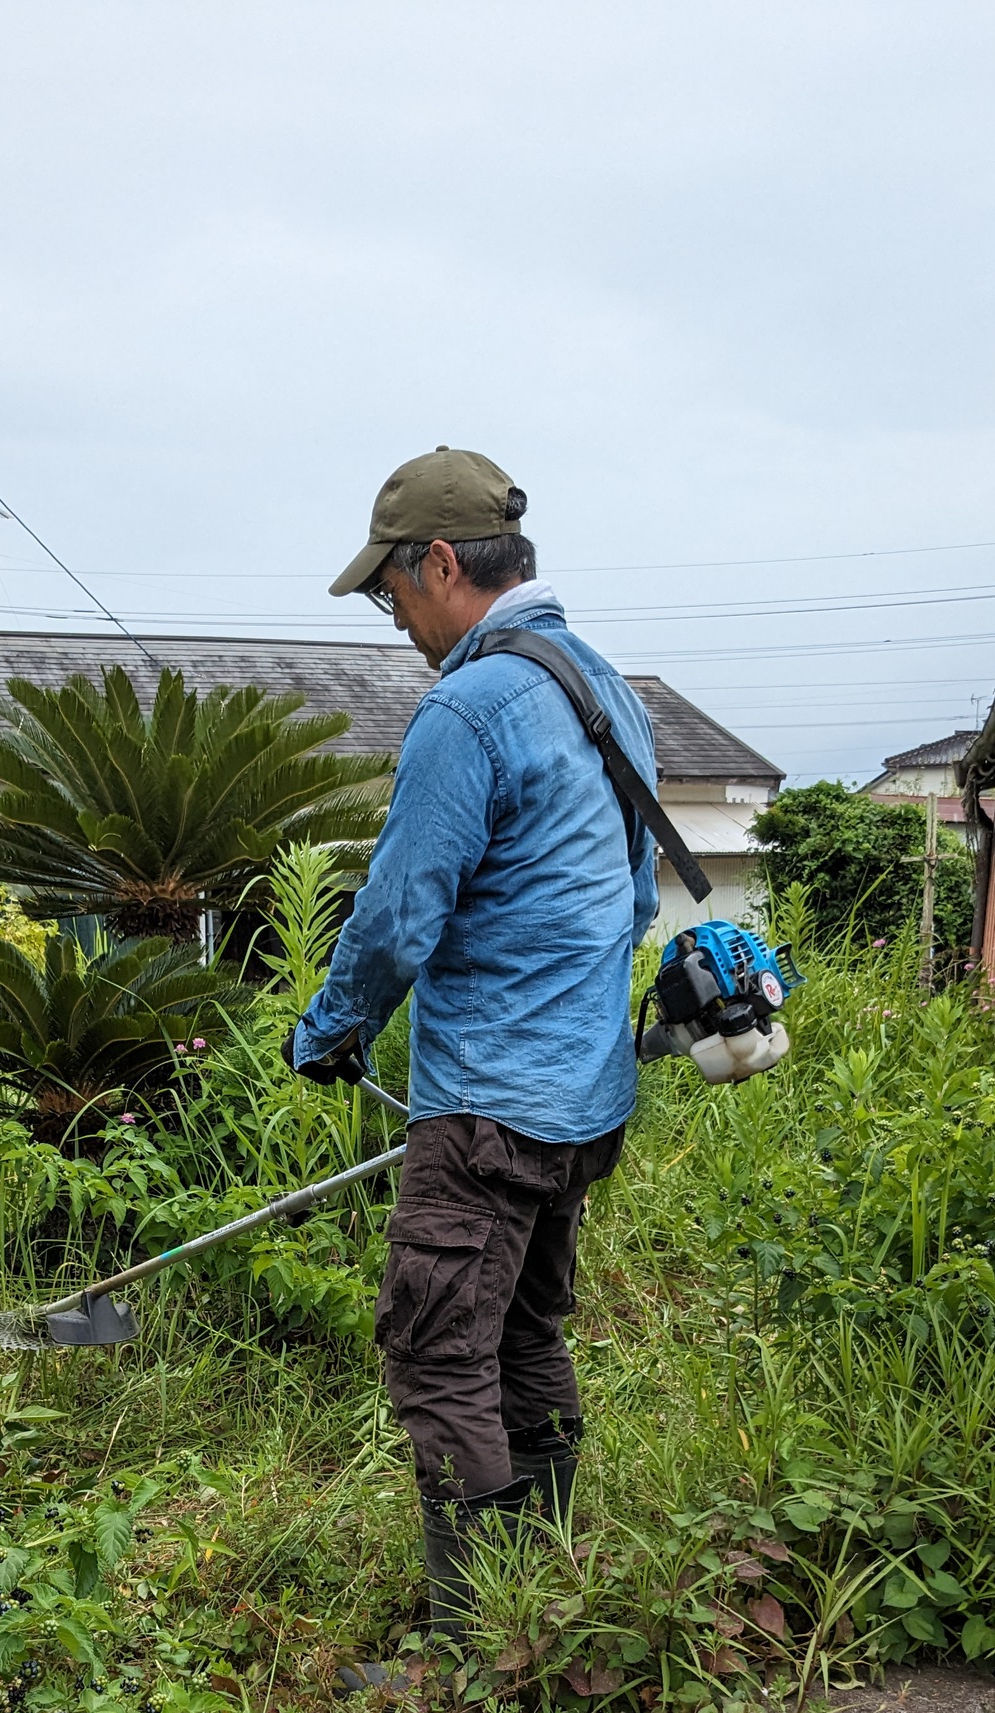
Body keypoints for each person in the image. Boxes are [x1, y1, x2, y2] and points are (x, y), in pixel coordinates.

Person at [285, 447, 660, 1628]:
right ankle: (538, 1597)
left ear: (441, 563)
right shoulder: (606, 690)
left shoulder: (470, 707)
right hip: (583, 1103)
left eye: (391, 590)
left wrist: (331, 1029)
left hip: (488, 1106)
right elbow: (639, 898)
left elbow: (400, 912)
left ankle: (470, 1642)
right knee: (523, 1335)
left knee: (439, 1355)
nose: (397, 618)